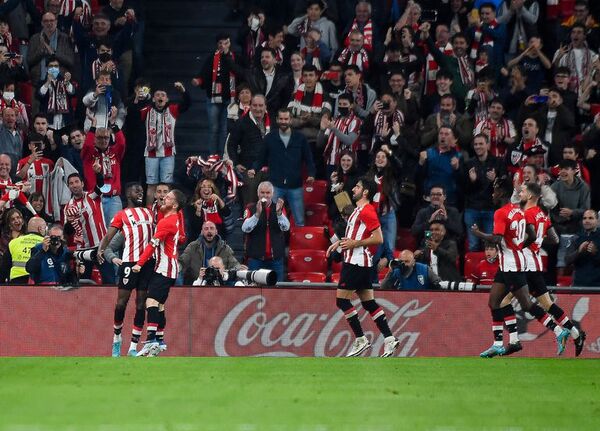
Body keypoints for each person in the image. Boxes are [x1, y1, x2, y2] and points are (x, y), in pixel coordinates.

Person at [471, 177, 561, 358]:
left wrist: (478, 233)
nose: (493, 193)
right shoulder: (519, 210)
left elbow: (496, 239)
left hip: (512, 266)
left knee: (527, 304)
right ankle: (500, 343)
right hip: (509, 264)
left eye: (495, 190)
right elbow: (533, 235)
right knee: (494, 302)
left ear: (502, 192)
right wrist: (518, 247)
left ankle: (559, 330)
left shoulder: (501, 212)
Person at [506, 182, 585, 356]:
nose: (521, 193)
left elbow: (529, 236)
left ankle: (510, 341)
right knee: (547, 304)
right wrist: (538, 243)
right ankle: (576, 333)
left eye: (524, 191)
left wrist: (519, 245)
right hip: (535, 263)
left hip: (524, 264)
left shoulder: (526, 214)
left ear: (532, 196)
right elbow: (555, 239)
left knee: (503, 301)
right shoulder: (542, 214)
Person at [326, 177, 400, 357]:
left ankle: (361, 338)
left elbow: (379, 238)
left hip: (356, 262)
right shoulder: (358, 210)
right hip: (361, 262)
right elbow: (352, 236)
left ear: (365, 192)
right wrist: (340, 243)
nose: (353, 189)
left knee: (342, 300)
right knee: (368, 303)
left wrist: (354, 244)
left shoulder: (367, 211)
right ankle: (389, 339)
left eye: (357, 187)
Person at [98, 183, 154, 358]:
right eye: (136, 189)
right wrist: (101, 250)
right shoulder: (122, 215)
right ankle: (117, 339)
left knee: (140, 304)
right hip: (129, 264)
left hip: (147, 264)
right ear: (127, 193)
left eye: (141, 191)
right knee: (121, 303)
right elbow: (109, 236)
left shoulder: (149, 212)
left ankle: (133, 347)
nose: (140, 192)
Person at [134, 189, 186, 357]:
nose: (164, 199)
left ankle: (151, 342)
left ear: (175, 204)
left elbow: (152, 246)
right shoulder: (175, 219)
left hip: (165, 268)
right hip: (171, 267)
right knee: (160, 305)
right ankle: (160, 341)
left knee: (151, 302)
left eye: (168, 197)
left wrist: (139, 264)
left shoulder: (166, 223)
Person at [254, 108, 315, 226]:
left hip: (295, 186)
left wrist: (311, 174)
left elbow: (309, 159)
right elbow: (261, 158)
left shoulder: (300, 138)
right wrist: (253, 169)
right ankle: (274, 244)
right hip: (275, 185)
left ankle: (298, 244)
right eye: (281, 119)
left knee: (300, 221)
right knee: (272, 219)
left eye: (286, 119)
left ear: (291, 120)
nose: (283, 121)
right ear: (277, 120)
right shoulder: (269, 138)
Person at [140, 82, 190, 206]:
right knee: (151, 185)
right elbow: (135, 108)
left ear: (167, 99)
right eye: (157, 95)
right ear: (153, 98)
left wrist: (183, 91)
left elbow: (187, 104)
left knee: (167, 185)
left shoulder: (172, 109)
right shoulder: (146, 110)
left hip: (168, 154)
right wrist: (141, 96)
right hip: (151, 154)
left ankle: (167, 210)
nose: (160, 97)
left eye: (163, 95)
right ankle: (149, 213)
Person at [63, 170, 112, 283]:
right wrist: (70, 222)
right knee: (84, 283)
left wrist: (98, 173)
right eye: (71, 183)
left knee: (109, 281)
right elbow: (68, 232)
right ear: (68, 186)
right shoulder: (67, 207)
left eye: (76, 182)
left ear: (82, 183)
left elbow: (100, 185)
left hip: (101, 246)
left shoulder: (92, 196)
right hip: (83, 250)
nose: (74, 185)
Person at [462, 133, 504, 251]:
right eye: (475, 144)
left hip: (490, 209)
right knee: (473, 245)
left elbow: (505, 186)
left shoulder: (498, 162)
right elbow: (464, 189)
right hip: (472, 209)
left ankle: (490, 269)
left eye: (481, 143)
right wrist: (472, 181)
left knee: (490, 245)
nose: (478, 146)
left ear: (487, 145)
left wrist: (495, 180)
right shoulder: (468, 164)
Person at [81, 117, 125, 226]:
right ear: (94, 139)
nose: (103, 140)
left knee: (115, 230)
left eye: (106, 138)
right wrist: (93, 126)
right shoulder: (89, 155)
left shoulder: (115, 152)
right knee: (98, 230)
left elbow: (122, 143)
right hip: (95, 199)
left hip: (113, 199)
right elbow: (87, 145)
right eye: (99, 138)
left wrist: (114, 124)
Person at [241, 181, 289, 281]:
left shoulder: (279, 207)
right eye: (262, 192)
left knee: (277, 289)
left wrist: (279, 214)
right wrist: (257, 215)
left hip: (275, 259)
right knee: (254, 289)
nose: (265, 195)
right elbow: (245, 228)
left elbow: (286, 227)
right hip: (255, 258)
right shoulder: (250, 207)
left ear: (272, 194)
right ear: (258, 193)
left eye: (268, 193)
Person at [179, 220, 242, 285]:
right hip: (196, 284)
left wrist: (239, 269)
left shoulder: (224, 248)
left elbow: (234, 264)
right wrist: (177, 267)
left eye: (212, 228)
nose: (209, 231)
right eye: (206, 229)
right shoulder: (192, 247)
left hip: (219, 284)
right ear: (202, 232)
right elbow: (182, 262)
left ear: (216, 231)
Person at [7, 216, 47, 284]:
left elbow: (4, 266)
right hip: (38, 281)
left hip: (16, 281)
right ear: (40, 228)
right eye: (45, 228)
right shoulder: (46, 243)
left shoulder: (14, 242)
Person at [566, 209, 600, 287]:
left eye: (590, 218)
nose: (587, 221)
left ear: (597, 221)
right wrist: (579, 251)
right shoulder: (576, 237)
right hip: (579, 284)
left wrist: (596, 252)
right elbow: (567, 260)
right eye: (584, 218)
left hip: (598, 286)